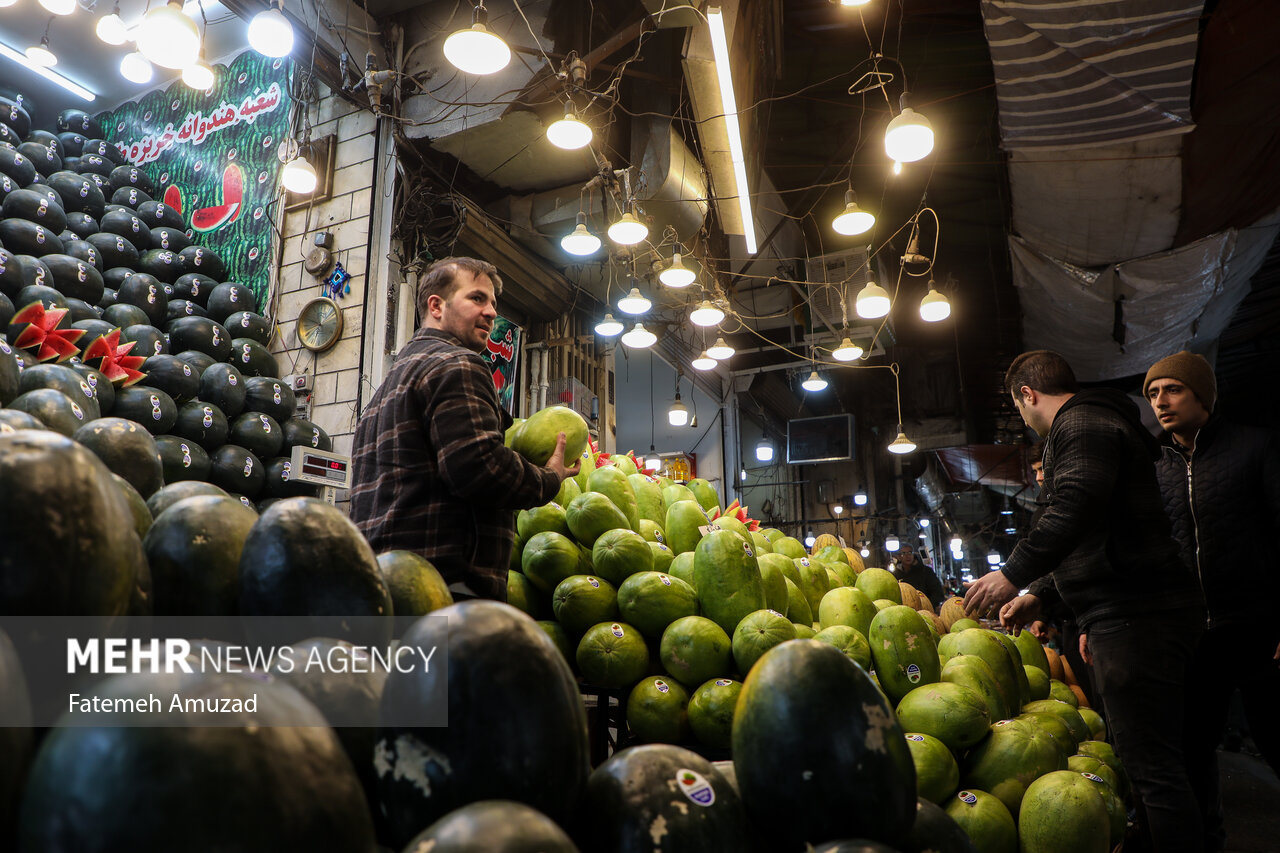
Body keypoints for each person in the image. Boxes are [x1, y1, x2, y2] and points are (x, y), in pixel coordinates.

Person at [964, 350, 1204, 853]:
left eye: (1020, 409)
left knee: (1155, 771)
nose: (1026, 423)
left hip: (1137, 617)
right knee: (1160, 765)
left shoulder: (1082, 424)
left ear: (1027, 395)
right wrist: (1043, 596)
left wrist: (1012, 575)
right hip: (1137, 613)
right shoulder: (1095, 422)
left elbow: (1076, 504)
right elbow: (1097, 530)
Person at [349, 257, 579, 600]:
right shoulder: (458, 363)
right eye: (477, 298)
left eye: (493, 304)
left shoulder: (383, 393)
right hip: (444, 586)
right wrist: (548, 478)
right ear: (437, 306)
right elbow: (478, 468)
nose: (490, 312)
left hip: (388, 582)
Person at [1144, 350, 1280, 851]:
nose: (1161, 401)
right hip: (1193, 637)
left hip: (1258, 628)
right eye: (1154, 393)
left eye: (1173, 389)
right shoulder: (1153, 467)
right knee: (1193, 749)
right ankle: (1210, 841)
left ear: (1203, 394)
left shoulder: (1256, 447)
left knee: (1274, 735)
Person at [892, 544, 945, 608]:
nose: (907, 556)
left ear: (913, 554)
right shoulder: (895, 575)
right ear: (899, 557)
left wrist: (928, 606)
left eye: (910, 552)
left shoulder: (926, 571)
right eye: (903, 553)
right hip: (904, 610)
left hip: (925, 610)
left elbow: (938, 593)